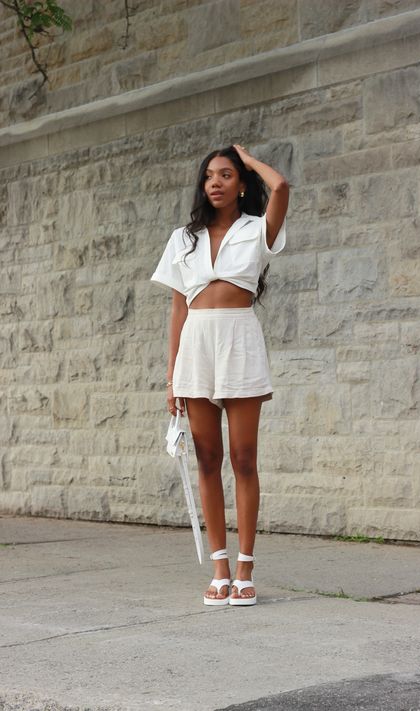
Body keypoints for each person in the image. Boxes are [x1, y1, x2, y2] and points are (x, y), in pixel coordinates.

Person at [150, 143, 289, 606]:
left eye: (227, 174)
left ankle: (246, 568)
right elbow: (177, 311)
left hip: (240, 342)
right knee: (207, 461)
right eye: (209, 175)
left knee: (244, 458)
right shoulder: (182, 239)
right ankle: (220, 568)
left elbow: (283, 187)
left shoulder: (256, 230)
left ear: (242, 184)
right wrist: (172, 379)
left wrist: (249, 160)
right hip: (196, 347)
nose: (215, 182)